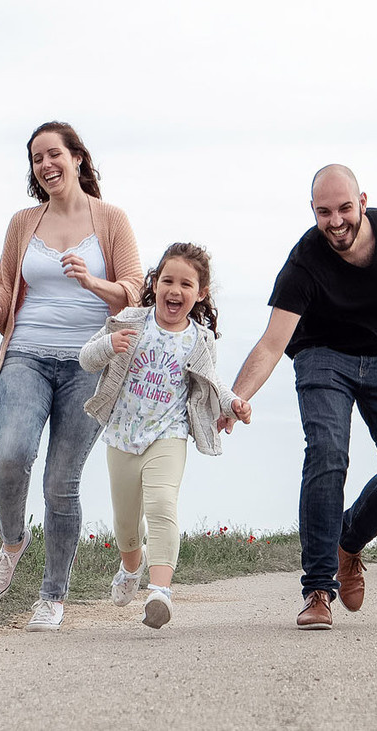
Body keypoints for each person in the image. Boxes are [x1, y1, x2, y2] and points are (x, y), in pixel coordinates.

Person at [225, 165, 377, 630]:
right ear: (313, 212)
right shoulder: (304, 262)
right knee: (328, 453)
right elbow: (272, 343)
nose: (336, 221)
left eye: (344, 209)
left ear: (363, 202)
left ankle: (349, 543)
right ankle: (317, 588)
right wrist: (237, 397)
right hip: (322, 356)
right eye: (324, 212)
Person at [0, 120, 143, 631]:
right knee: (12, 456)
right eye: (36, 160)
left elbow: (135, 290)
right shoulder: (24, 221)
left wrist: (93, 281)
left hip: (89, 363)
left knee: (59, 484)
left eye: (54, 155)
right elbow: (4, 281)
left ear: (78, 159)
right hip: (25, 354)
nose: (46, 166)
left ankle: (52, 596)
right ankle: (12, 541)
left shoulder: (111, 219)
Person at [78, 241, 235, 630]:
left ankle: (160, 592)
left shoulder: (201, 340)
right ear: (155, 283)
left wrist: (233, 405)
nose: (175, 291)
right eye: (167, 280)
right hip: (122, 435)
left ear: (200, 294)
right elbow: (86, 358)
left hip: (169, 435)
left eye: (186, 284)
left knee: (163, 504)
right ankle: (131, 566)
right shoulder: (131, 319)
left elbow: (214, 384)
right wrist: (107, 345)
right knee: (126, 524)